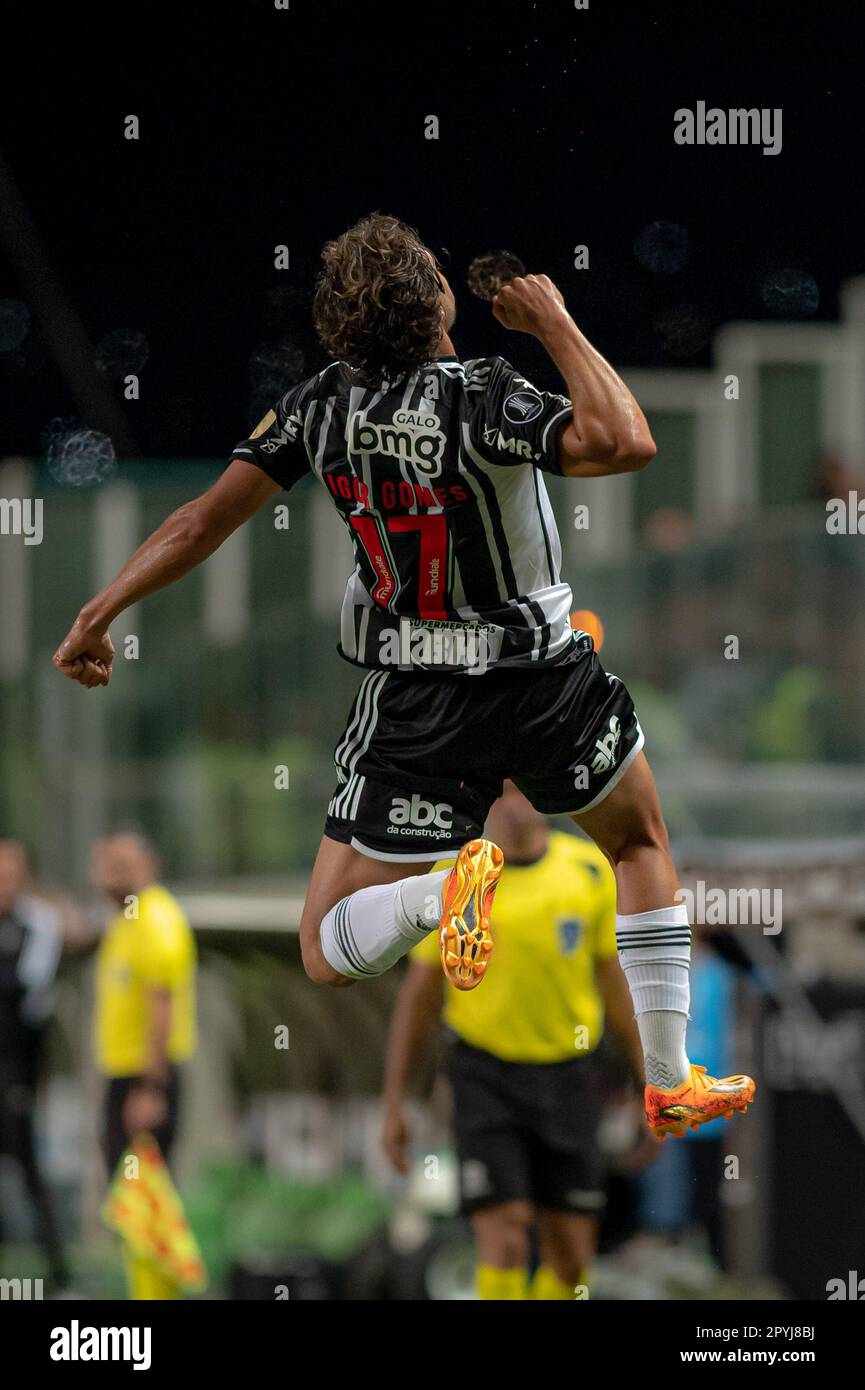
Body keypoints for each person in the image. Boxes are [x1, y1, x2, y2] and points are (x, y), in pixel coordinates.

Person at [53, 212, 754, 1137]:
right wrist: (552, 321)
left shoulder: (317, 406)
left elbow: (199, 523)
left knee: (322, 945)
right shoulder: (486, 393)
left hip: (417, 699)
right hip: (541, 677)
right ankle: (667, 1077)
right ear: (430, 300)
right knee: (636, 846)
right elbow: (624, 442)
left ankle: (438, 892)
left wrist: (97, 612)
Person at [381, 782, 644, 1300]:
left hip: (570, 1077)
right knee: (504, 1233)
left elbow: (615, 986)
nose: (510, 804)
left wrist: (649, 1081)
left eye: (522, 790)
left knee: (570, 1257)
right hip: (485, 1076)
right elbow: (420, 997)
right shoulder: (458, 877)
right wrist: (394, 1100)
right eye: (496, 793)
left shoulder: (587, 872)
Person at [90, 832, 197, 1299]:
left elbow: (161, 1009)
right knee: (133, 1195)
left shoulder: (155, 920)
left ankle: (158, 1293)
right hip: (127, 1078)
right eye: (105, 865)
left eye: (122, 864)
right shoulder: (125, 921)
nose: (111, 875)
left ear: (149, 864)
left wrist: (150, 1088)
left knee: (143, 1196)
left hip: (145, 1080)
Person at [0, 840, 68, 1290]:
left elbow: (28, 992)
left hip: (16, 1071)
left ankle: (58, 1270)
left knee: (26, 1164)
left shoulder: (38, 925)